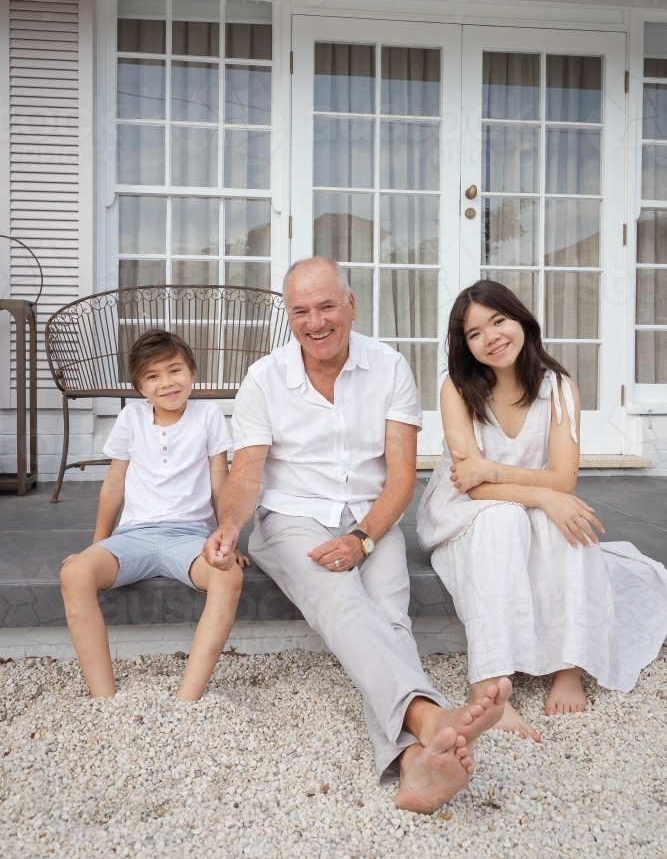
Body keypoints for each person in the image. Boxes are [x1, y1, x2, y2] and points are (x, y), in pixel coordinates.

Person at [203, 257, 511, 815]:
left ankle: (413, 765)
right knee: (344, 601)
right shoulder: (264, 378)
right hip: (291, 519)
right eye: (301, 311)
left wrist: (364, 539)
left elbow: (399, 478)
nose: (315, 322)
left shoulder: (389, 366)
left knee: (390, 614)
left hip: (372, 520)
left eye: (326, 306)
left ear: (351, 305)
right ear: (288, 316)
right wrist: (228, 525)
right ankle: (427, 716)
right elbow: (246, 472)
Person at [417, 280, 667, 740]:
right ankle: (489, 682)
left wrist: (532, 488)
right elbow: (473, 490)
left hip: (518, 496)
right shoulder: (456, 388)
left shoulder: (558, 386)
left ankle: (568, 665)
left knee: (564, 519)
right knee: (503, 518)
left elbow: (564, 480)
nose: (490, 337)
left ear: (521, 320)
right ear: (465, 346)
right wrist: (544, 494)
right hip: (467, 512)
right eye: (474, 333)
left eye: (498, 320)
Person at [60, 329, 249, 702]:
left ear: (192, 373)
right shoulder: (131, 419)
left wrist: (228, 538)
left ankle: (187, 700)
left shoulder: (209, 416)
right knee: (74, 572)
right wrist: (97, 546)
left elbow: (219, 482)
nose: (166, 382)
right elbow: (114, 484)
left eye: (175, 370)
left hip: (190, 539)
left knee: (229, 578)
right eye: (152, 376)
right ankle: (103, 699)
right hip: (134, 537)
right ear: (139, 387)